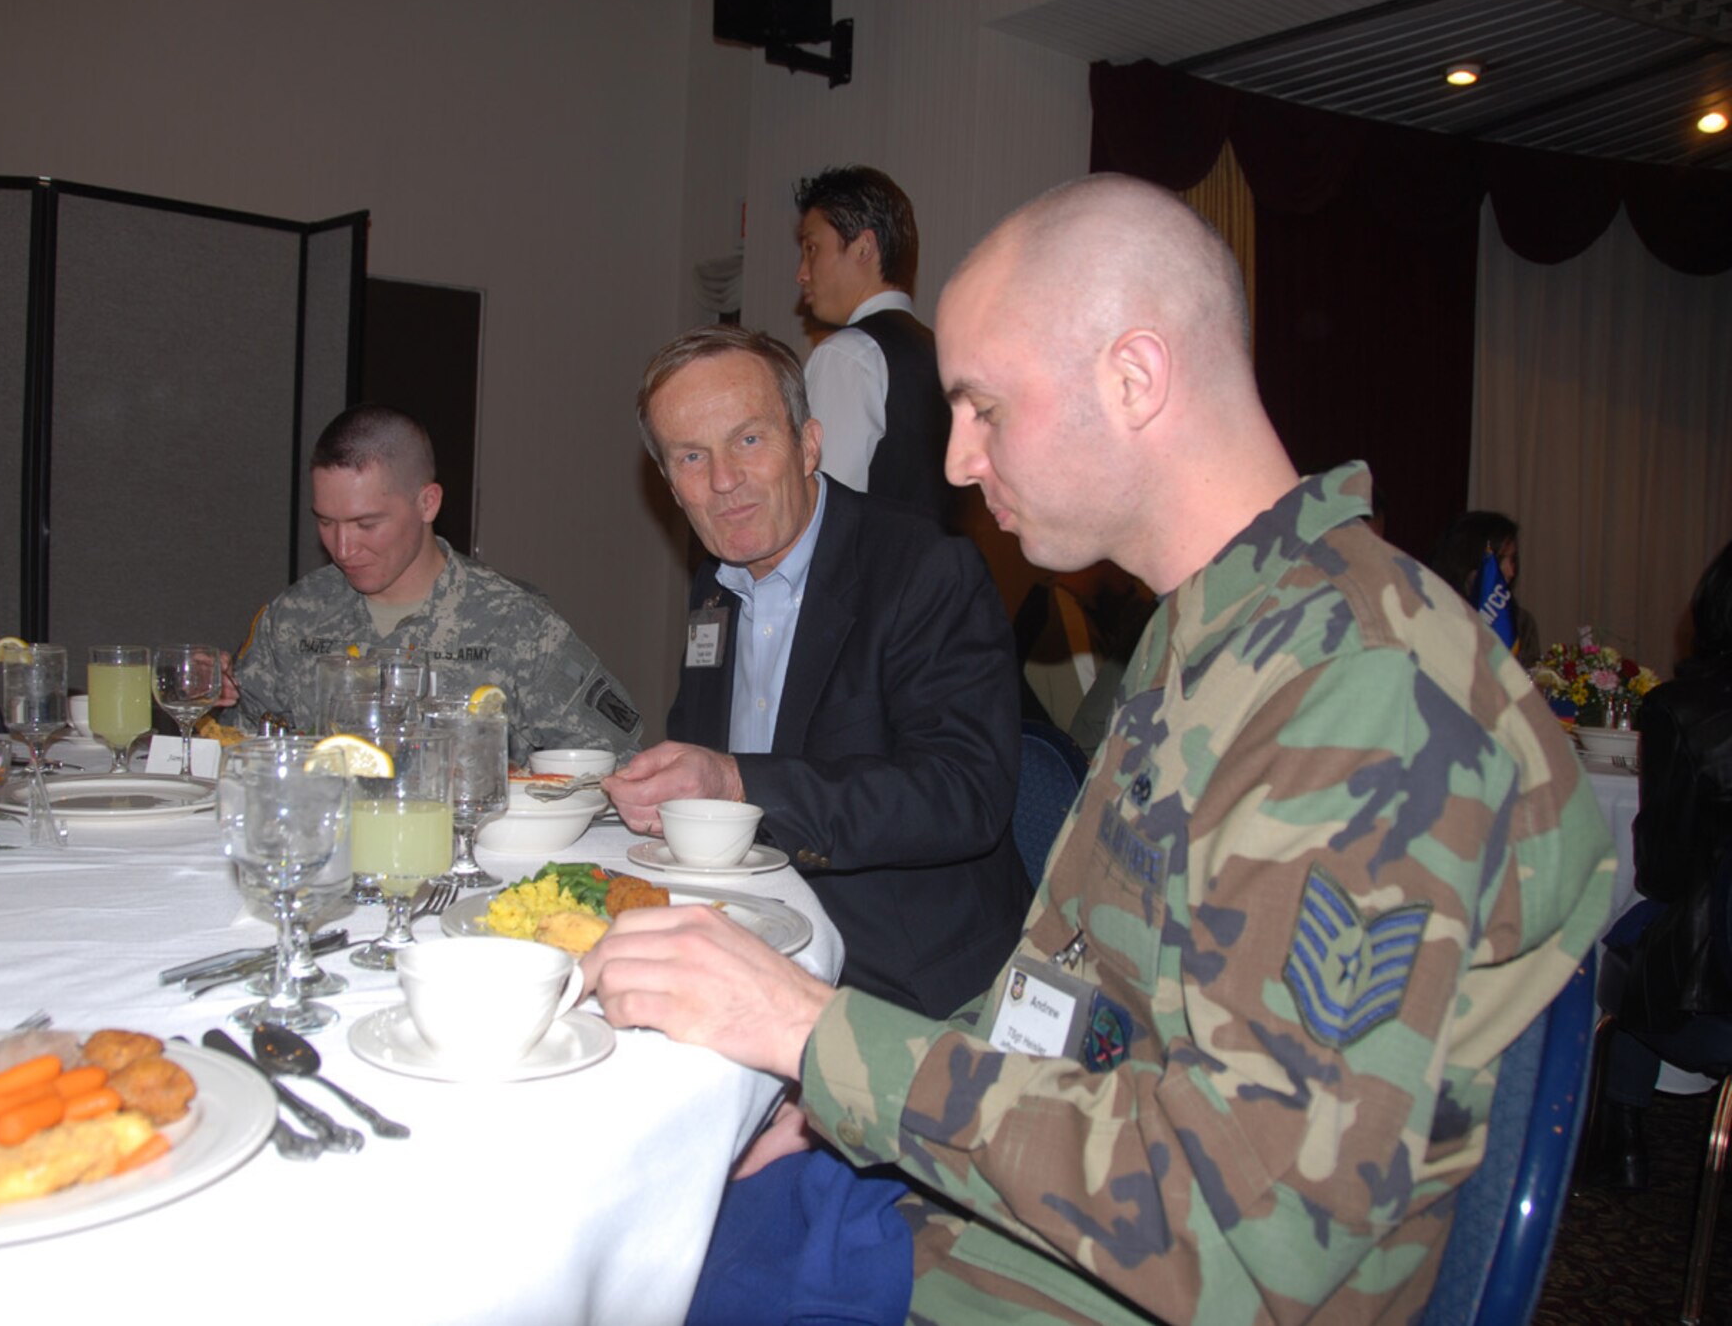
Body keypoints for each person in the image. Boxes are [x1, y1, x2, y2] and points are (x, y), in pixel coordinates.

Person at [583, 176, 1615, 1324]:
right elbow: (1075, 999)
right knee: (633, 1226)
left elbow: (1242, 1236)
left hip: (1116, 1274)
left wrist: (812, 1034)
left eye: (983, 408)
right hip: (1027, 1200)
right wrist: (832, 1096)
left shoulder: (1360, 693)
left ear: (1132, 378)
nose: (957, 461)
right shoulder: (1209, 633)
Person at [606, 325, 1029, 1019]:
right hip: (753, 940)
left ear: (807, 444)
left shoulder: (923, 569)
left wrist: (738, 784)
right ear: (670, 484)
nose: (723, 481)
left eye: (748, 439)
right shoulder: (715, 587)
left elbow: (964, 795)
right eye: (691, 456)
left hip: (900, 979)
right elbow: (707, 752)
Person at [232, 404, 641, 763]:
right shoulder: (293, 618)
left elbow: (612, 762)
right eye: (325, 522)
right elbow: (239, 748)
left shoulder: (516, 625)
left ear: (427, 503)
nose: (342, 547)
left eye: (366, 524)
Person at [1584, 538, 1732, 1189]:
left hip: (1710, 991)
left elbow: (1662, 871)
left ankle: (1622, 1137)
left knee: (1632, 931)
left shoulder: (1680, 709)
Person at [795, 166, 954, 526]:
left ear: (863, 247)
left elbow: (827, 517)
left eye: (812, 248)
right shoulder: (944, 355)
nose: (801, 273)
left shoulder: (846, 356)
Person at [1429, 509, 1539, 659]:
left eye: (1512, 560)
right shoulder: (1434, 615)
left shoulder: (1521, 624)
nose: (1511, 572)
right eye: (1500, 560)